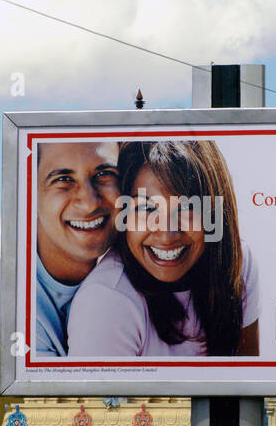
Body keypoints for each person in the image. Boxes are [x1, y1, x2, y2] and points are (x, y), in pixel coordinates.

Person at [67, 139, 259, 357]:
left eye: (187, 207)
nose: (167, 234)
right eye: (146, 207)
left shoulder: (237, 263)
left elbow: (247, 378)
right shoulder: (106, 303)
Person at [33, 141, 120, 357]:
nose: (89, 203)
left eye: (104, 174)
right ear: (28, 194)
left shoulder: (144, 259)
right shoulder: (18, 306)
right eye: (63, 180)